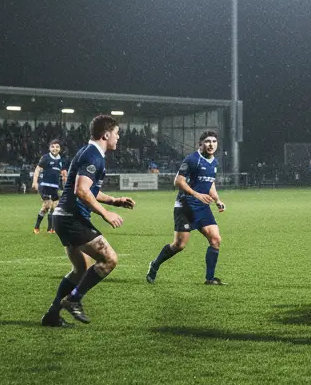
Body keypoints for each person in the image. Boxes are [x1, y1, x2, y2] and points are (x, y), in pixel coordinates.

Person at [43, 114, 135, 327]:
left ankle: (52, 315)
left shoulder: (89, 152)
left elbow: (91, 190)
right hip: (72, 219)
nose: (118, 138)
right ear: (106, 134)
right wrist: (106, 213)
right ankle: (74, 300)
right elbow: (82, 191)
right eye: (117, 133)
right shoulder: (94, 156)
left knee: (81, 269)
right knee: (109, 259)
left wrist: (114, 200)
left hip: (63, 218)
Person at [144, 131, 227, 285]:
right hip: (185, 206)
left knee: (215, 239)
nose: (211, 144)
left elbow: (210, 183)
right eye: (207, 141)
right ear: (200, 144)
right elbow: (178, 181)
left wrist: (217, 200)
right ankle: (155, 264)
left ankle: (210, 278)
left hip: (202, 207)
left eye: (214, 141)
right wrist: (196, 194)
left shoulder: (214, 162)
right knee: (179, 245)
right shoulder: (192, 159)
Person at [31, 139, 67, 234]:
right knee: (46, 206)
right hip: (44, 186)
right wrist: (35, 182)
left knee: (54, 207)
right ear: (49, 148)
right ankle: (36, 227)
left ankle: (50, 229)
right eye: (52, 146)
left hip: (54, 187)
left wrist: (65, 181)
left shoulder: (61, 160)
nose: (55, 148)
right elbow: (37, 169)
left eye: (57, 147)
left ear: (60, 148)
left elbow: (64, 173)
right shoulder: (45, 158)